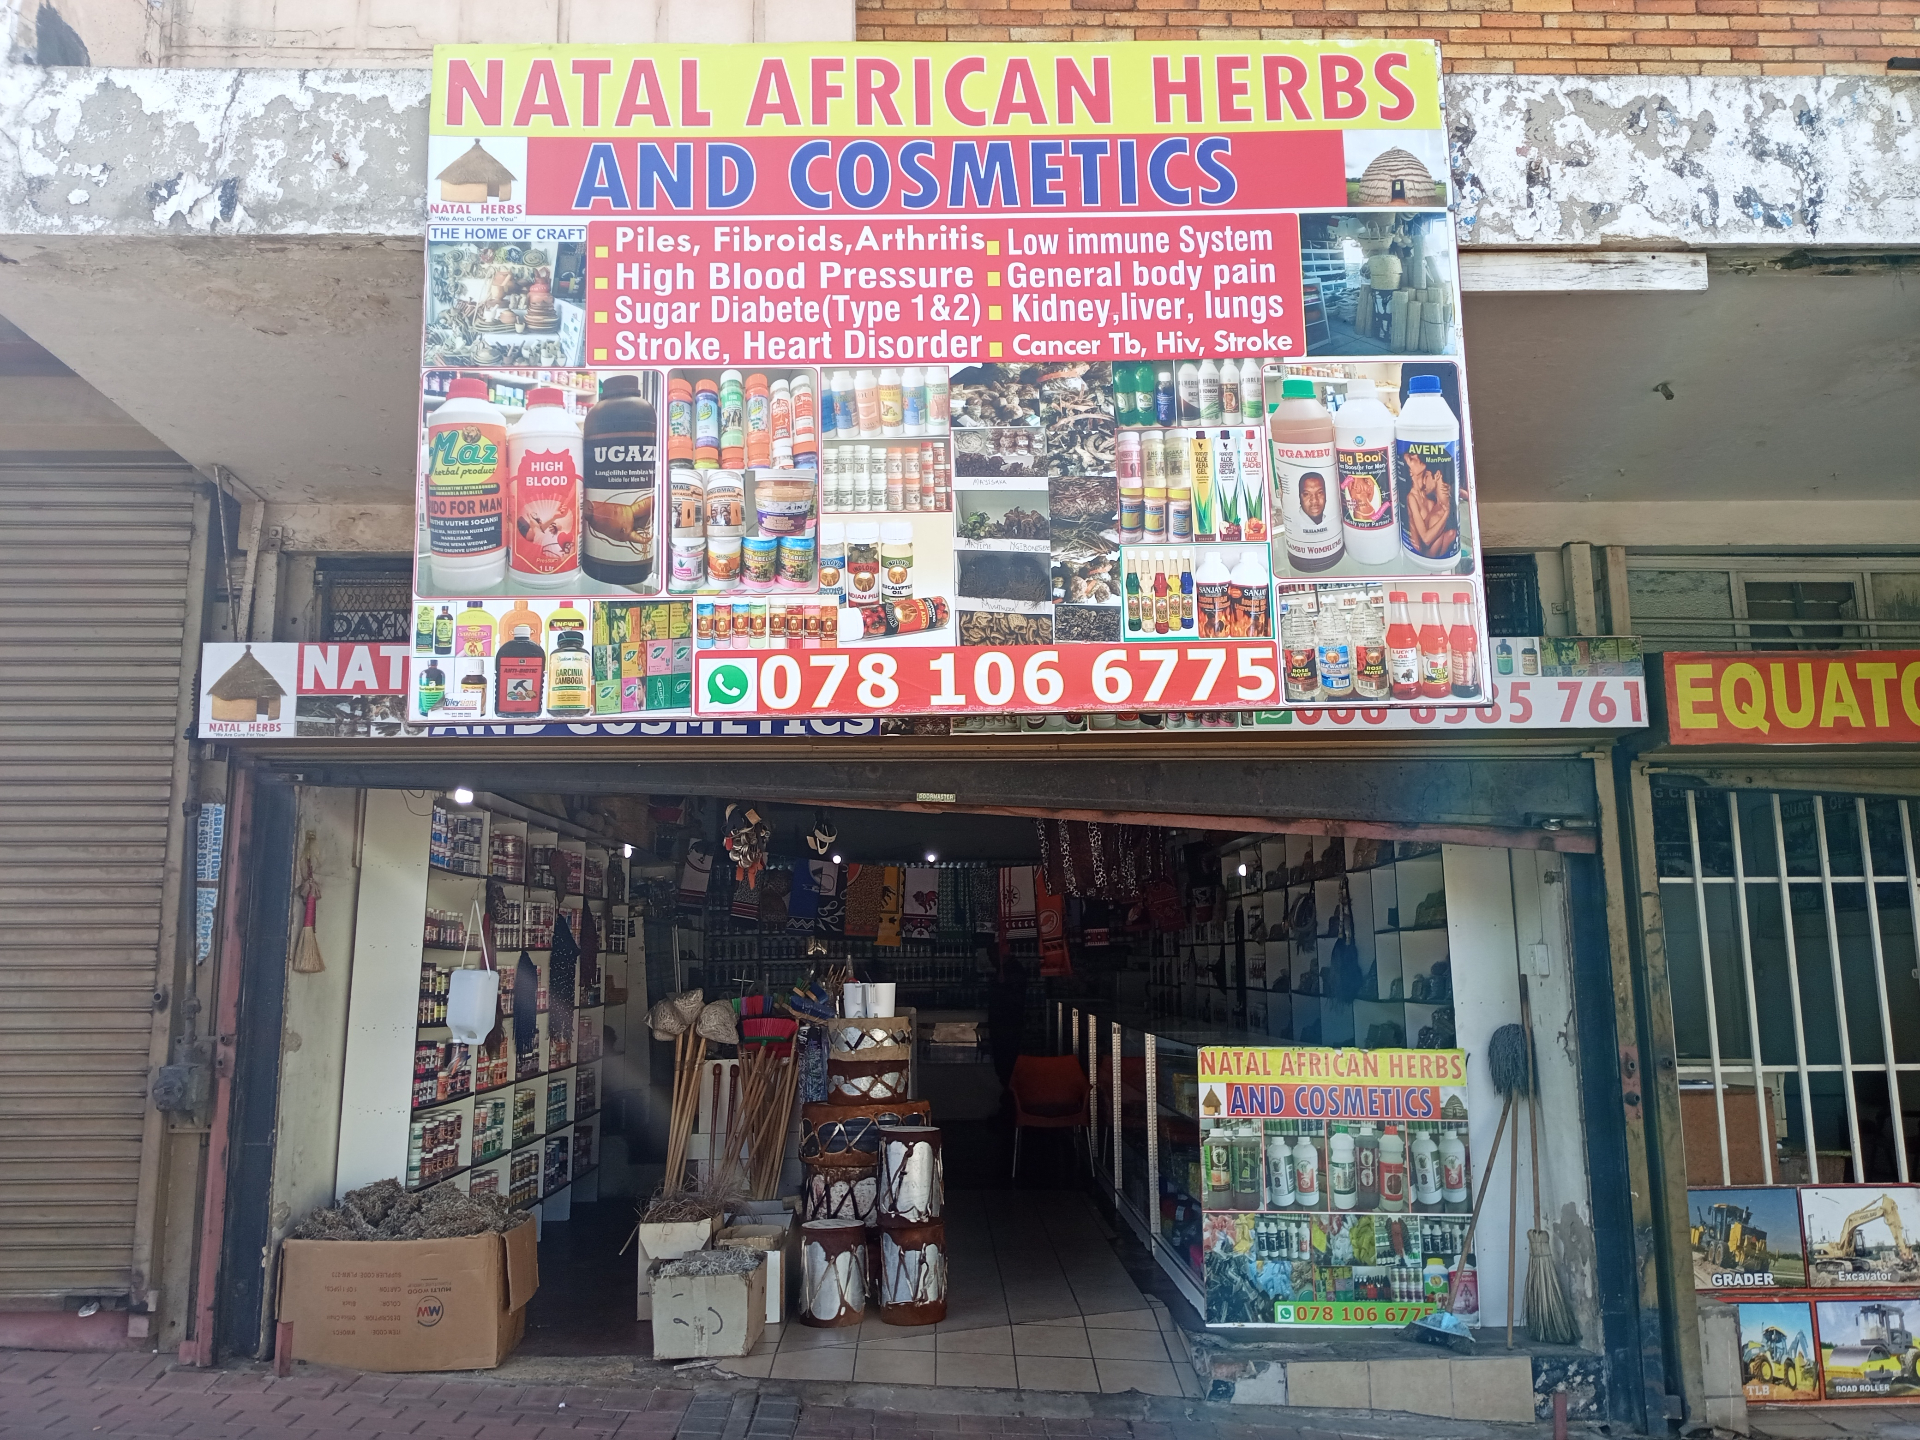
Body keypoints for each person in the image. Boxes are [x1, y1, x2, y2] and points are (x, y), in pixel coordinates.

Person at [987, 946, 1028, 1095]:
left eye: (991, 955)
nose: (990, 960)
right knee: (1004, 1067)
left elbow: (1011, 1000)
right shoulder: (1006, 970)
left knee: (1007, 1066)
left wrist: (999, 987)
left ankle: (1011, 1104)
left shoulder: (1012, 971)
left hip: (1008, 1028)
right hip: (1004, 1027)